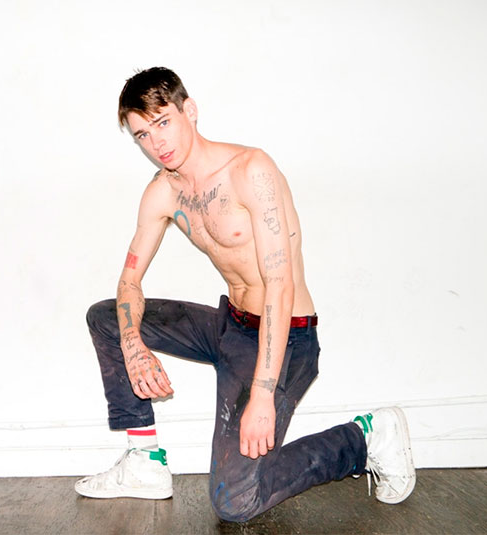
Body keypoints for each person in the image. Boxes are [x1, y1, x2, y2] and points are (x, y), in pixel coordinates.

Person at [75, 67, 415, 522]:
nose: (156, 143)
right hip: (230, 327)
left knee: (236, 502)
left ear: (189, 111)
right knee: (108, 318)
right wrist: (133, 344)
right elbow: (128, 283)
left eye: (163, 122)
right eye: (142, 135)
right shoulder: (162, 193)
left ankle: (365, 438)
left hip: (286, 339)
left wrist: (262, 393)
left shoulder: (250, 171)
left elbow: (280, 284)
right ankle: (144, 461)